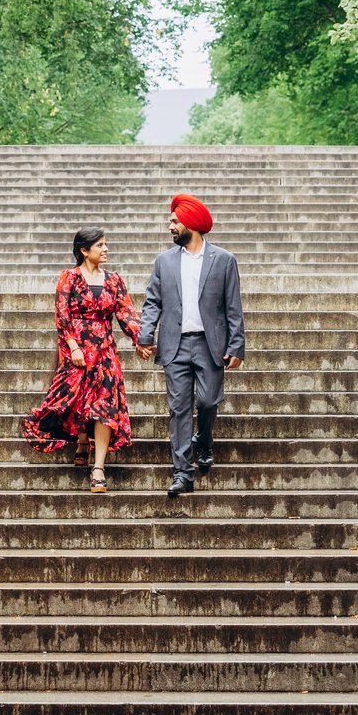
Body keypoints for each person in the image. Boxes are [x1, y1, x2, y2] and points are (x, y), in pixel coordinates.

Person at [136, 193, 245, 497]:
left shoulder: (223, 260)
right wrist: (145, 336)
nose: (170, 226)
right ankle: (183, 473)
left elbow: (233, 306)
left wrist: (236, 345)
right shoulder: (164, 261)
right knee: (179, 409)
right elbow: (152, 302)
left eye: (174, 221)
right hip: (175, 345)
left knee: (208, 401)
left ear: (192, 223)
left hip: (211, 345)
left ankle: (204, 441)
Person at [21, 225, 142, 492]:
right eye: (100, 245)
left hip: (105, 350)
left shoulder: (114, 280)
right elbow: (62, 314)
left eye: (105, 244)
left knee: (105, 404)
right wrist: (74, 347)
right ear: (84, 251)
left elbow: (127, 313)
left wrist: (140, 340)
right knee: (79, 400)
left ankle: (98, 468)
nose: (106, 249)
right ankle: (82, 440)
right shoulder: (70, 277)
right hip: (75, 349)